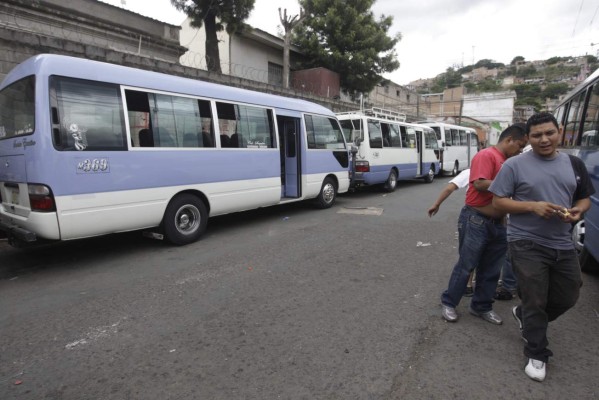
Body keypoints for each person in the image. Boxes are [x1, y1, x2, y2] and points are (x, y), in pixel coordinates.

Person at [490, 112, 595, 382]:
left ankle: (524, 314)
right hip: (525, 241)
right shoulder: (514, 165)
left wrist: (577, 212)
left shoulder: (574, 164)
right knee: (535, 298)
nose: (544, 139)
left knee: (569, 296)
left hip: (562, 241)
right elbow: (498, 202)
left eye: (549, 133)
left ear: (559, 131)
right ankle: (536, 352)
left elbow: (584, 199)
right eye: (537, 135)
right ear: (529, 138)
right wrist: (532, 206)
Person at [440, 123, 528, 324]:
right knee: (466, 265)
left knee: (491, 269)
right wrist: (512, 186)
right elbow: (479, 183)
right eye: (520, 145)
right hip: (476, 220)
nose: (521, 150)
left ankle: (481, 307)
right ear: (509, 140)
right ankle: (449, 303)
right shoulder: (487, 155)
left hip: (498, 223)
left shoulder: (507, 161)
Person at [428, 169, 476, 297]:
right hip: (475, 217)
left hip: (485, 216)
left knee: (469, 253)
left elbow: (450, 188)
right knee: (470, 253)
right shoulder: (472, 171)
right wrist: (436, 204)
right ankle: (468, 284)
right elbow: (450, 187)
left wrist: (436, 204)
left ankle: (469, 284)